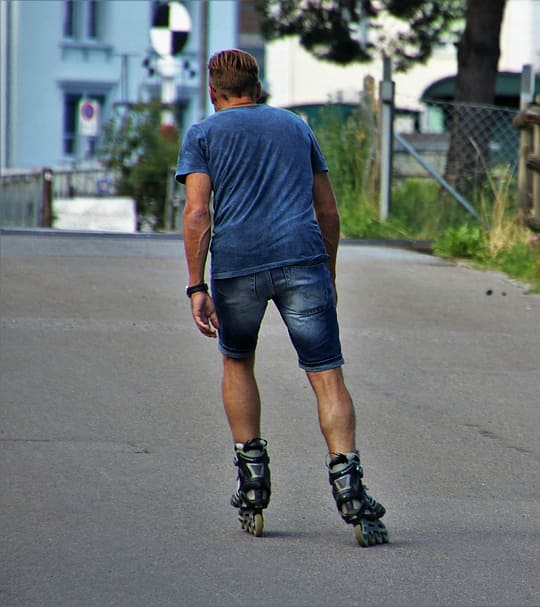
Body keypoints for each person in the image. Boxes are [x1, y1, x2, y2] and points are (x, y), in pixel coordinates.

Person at [177, 49, 387, 547]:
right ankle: (350, 487)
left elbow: (197, 213)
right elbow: (328, 210)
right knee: (326, 374)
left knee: (238, 361)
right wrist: (329, 271)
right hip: (301, 261)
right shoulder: (296, 127)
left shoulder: (203, 135)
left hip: (238, 268)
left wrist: (196, 284)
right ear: (259, 87)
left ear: (213, 92)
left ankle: (252, 479)